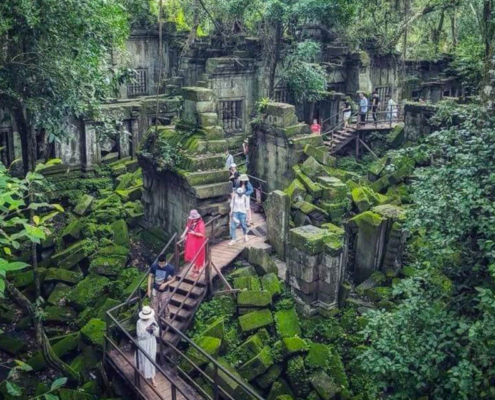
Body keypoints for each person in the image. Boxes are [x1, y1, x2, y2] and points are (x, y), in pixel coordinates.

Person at [136, 306, 159, 387]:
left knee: (151, 358)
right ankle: (143, 372)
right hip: (143, 342)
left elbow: (157, 332)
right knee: (144, 358)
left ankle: (152, 377)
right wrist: (146, 330)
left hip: (151, 341)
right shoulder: (139, 322)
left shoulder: (152, 319)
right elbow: (139, 334)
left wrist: (154, 329)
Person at [147, 254, 175, 319]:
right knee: (154, 305)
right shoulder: (154, 266)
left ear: (165, 262)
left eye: (163, 264)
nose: (161, 265)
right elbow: (150, 276)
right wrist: (149, 289)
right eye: (160, 263)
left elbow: (174, 278)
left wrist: (165, 284)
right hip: (155, 288)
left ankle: (166, 317)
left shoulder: (170, 268)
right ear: (158, 262)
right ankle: (155, 320)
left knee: (164, 305)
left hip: (164, 290)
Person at [181, 210, 206, 277]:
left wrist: (194, 233)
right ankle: (195, 266)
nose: (193, 219)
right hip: (192, 241)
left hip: (198, 242)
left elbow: (202, 234)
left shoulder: (200, 223)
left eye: (194, 218)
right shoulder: (191, 221)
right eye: (192, 218)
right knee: (193, 254)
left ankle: (197, 270)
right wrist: (184, 234)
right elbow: (188, 226)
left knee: (198, 254)